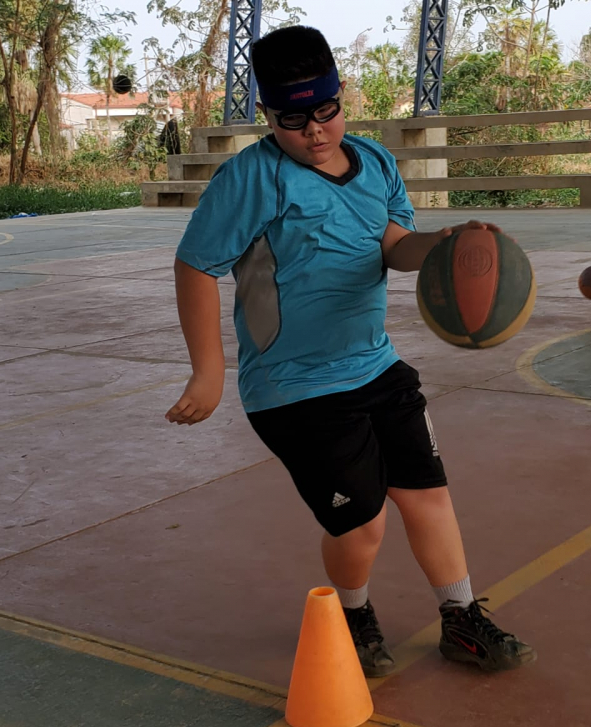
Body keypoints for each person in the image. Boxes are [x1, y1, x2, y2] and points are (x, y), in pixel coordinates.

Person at [165, 25, 535, 676]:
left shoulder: (376, 164)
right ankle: (353, 610)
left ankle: (460, 618)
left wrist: (447, 247)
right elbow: (196, 266)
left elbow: (395, 246)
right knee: (363, 526)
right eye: (293, 119)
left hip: (374, 364)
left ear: (342, 97)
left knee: (427, 493)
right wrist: (209, 370)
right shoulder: (251, 178)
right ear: (268, 115)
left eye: (326, 111)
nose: (314, 131)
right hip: (294, 387)